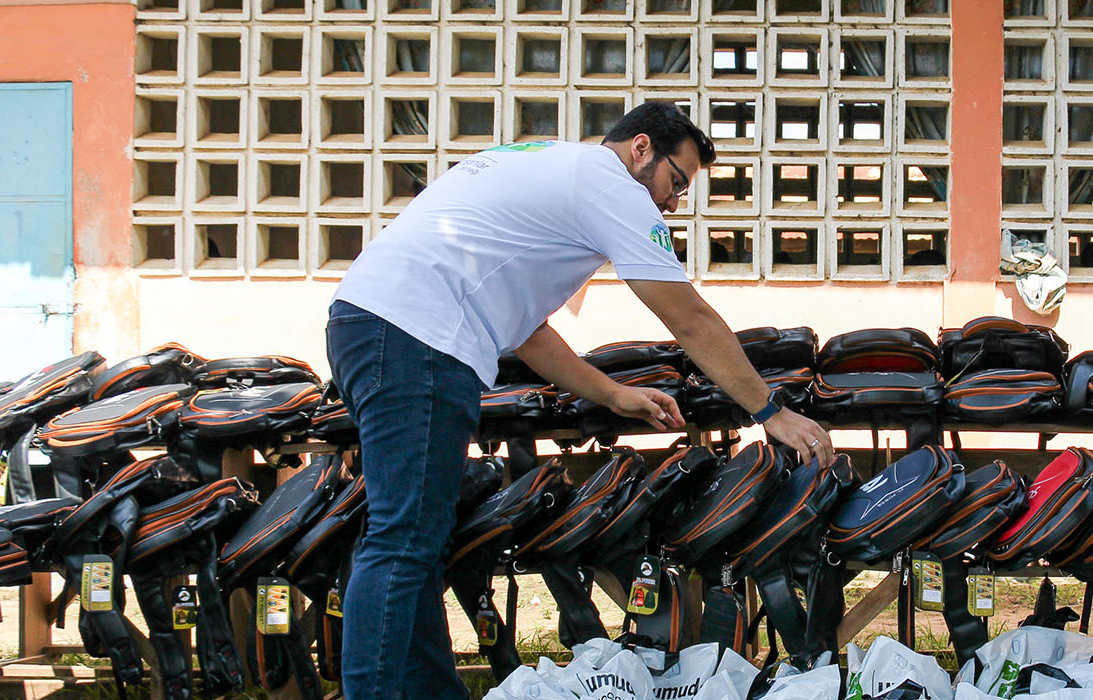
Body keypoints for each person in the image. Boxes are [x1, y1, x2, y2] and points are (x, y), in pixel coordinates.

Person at [322, 102, 835, 700]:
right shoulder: (610, 186)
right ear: (641, 148)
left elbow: (526, 330)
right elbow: (688, 318)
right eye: (677, 181)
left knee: (417, 540)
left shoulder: (550, 164)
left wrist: (612, 393)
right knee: (404, 540)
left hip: (377, 326)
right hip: (417, 339)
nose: (672, 202)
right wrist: (770, 411)